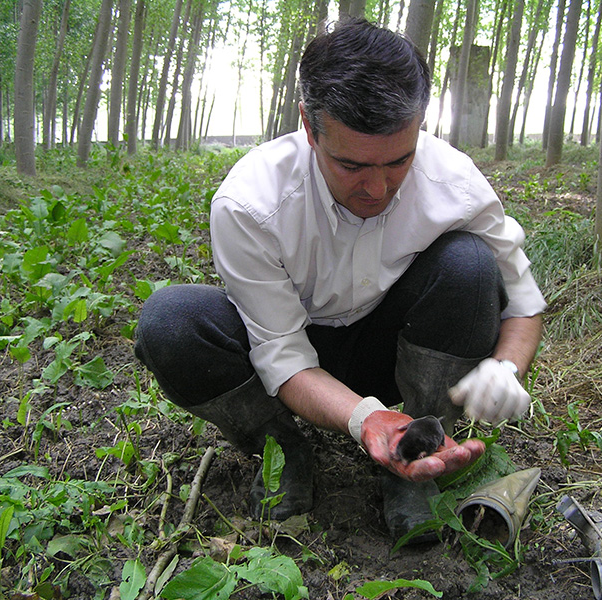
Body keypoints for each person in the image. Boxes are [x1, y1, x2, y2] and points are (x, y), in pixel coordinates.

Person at [134, 18, 547, 542]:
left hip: (395, 347)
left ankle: (420, 449)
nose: (377, 187)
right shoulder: (251, 202)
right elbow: (282, 354)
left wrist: (506, 368)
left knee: (470, 264)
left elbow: (523, 303)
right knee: (170, 323)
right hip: (297, 358)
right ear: (310, 126)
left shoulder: (455, 181)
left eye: (400, 160)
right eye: (351, 164)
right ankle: (282, 450)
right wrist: (365, 420)